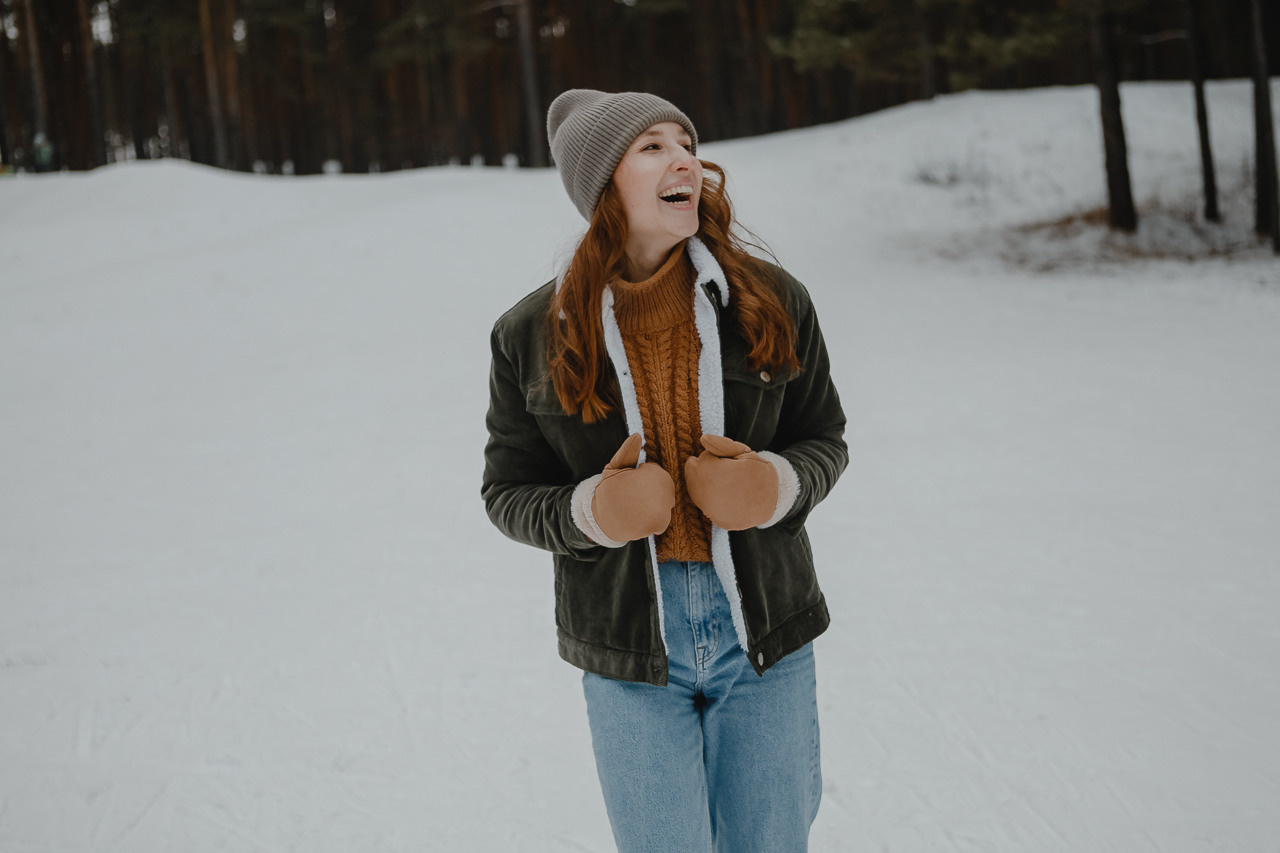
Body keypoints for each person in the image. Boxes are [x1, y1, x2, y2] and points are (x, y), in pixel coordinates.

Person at [481, 89, 848, 852]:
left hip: (764, 634)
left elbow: (824, 436)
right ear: (602, 184)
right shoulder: (530, 335)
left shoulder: (771, 301)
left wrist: (774, 485)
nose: (684, 156)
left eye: (686, 139)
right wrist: (594, 512)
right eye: (651, 146)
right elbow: (507, 493)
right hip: (630, 652)